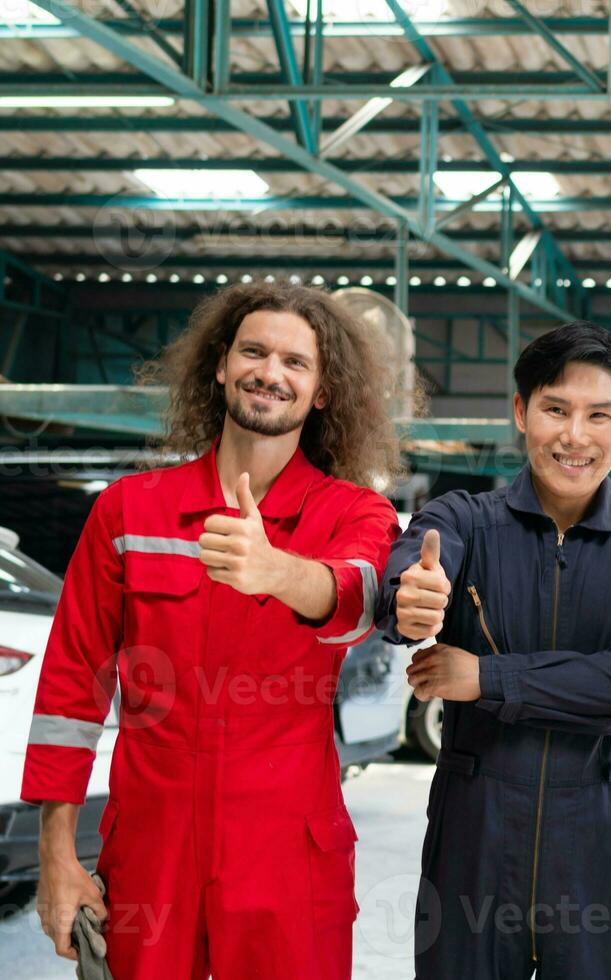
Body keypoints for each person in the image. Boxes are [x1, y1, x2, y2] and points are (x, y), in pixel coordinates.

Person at [25, 282, 405, 978]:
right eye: (254, 352)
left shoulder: (356, 514)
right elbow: (70, 687)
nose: (270, 372)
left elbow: (356, 603)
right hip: (151, 849)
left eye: (296, 362)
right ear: (221, 367)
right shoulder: (128, 512)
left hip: (288, 852)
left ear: (322, 391)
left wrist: (276, 571)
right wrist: (56, 855)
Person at [376, 320, 611, 980]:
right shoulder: (462, 520)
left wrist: (487, 678)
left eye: (598, 415)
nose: (574, 436)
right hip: (475, 845)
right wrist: (411, 596)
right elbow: (410, 576)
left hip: (602, 851)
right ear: (521, 413)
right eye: (555, 409)